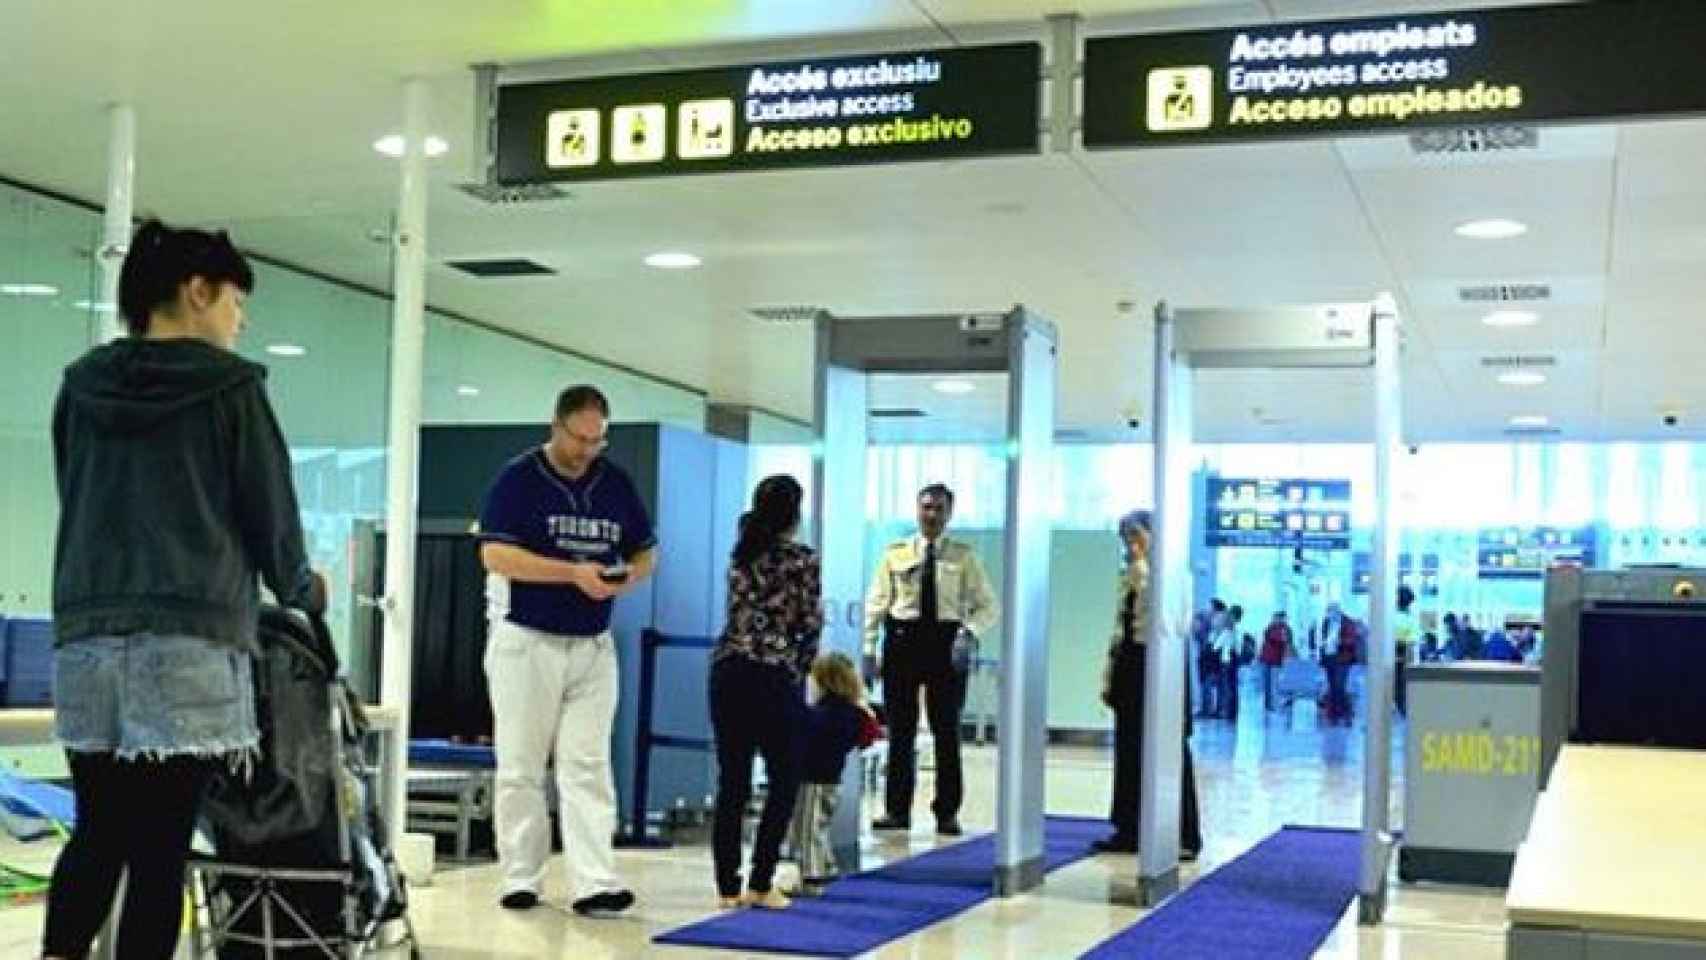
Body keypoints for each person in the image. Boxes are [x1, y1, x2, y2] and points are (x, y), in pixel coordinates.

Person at [44, 219, 327, 960]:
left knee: (97, 833)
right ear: (197, 292)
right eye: (236, 300)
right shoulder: (231, 389)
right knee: (160, 849)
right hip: (188, 645)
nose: (241, 319)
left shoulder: (80, 387)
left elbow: (72, 491)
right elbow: (271, 517)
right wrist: (303, 588)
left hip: (86, 642)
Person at [476, 384, 656, 915]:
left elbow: (647, 553)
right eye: (579, 438)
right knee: (521, 764)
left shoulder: (615, 483)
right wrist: (570, 574)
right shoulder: (518, 479)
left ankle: (595, 882)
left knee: (587, 763)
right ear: (556, 427)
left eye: (597, 441)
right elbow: (496, 555)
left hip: (593, 643)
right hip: (527, 639)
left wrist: (623, 580)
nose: (586, 451)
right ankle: (521, 876)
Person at [708, 475, 822, 910]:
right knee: (783, 779)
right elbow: (807, 625)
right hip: (774, 676)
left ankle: (726, 886)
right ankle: (761, 880)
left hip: (728, 673)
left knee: (732, 782)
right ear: (794, 515)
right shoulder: (802, 561)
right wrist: (798, 673)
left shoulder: (742, 554)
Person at [866, 483, 999, 836]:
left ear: (949, 513)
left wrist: (968, 633)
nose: (931, 515)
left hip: (945, 645)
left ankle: (947, 812)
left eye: (939, 508)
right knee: (900, 732)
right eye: (926, 507)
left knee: (946, 732)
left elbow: (989, 605)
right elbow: (877, 603)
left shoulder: (963, 557)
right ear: (917, 509)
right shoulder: (895, 553)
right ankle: (896, 809)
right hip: (902, 642)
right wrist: (867, 649)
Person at [1092, 511, 1202, 859]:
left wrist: (1141, 569)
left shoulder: (1172, 575)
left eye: (1137, 535)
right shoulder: (1129, 575)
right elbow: (1119, 626)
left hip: (1162, 660)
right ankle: (1128, 827)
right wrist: (1110, 675)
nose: (1131, 543)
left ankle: (1184, 834)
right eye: (1125, 536)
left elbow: (1172, 621)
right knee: (1128, 748)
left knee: (1170, 748)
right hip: (1131, 661)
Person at [787, 652, 880, 897]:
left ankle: (812, 877)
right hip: (832, 778)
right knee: (819, 826)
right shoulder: (853, 713)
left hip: (812, 779)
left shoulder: (822, 714)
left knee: (806, 830)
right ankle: (825, 865)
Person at [1317, 603, 1359, 726]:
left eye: (1332, 611)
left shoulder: (1348, 622)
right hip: (1329, 657)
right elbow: (1323, 638)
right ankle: (1334, 715)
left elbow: (1352, 640)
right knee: (1332, 687)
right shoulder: (1326, 623)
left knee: (1340, 686)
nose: (1330, 614)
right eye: (1328, 611)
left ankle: (1346, 713)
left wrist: (1339, 641)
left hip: (1343, 659)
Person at [1194, 600, 1227, 719]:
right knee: (1219, 683)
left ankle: (1207, 709)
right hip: (1218, 656)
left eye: (1210, 606)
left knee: (1207, 682)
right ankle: (1219, 709)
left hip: (1208, 655)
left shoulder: (1210, 620)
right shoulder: (1223, 621)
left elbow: (1200, 635)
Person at [1211, 605, 1243, 719]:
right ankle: (1231, 711)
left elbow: (1216, 646)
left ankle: (1228, 711)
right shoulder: (1237, 630)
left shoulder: (1230, 631)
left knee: (1228, 686)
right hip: (1233, 660)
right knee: (1232, 686)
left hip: (1228, 661)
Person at [1393, 586, 1420, 716]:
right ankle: (1402, 710)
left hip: (1393, 652)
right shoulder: (1410, 619)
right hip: (1403, 654)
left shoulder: (1390, 616)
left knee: (1395, 686)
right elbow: (1411, 642)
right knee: (1400, 686)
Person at [1259, 611, 1293, 712]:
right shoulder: (1270, 628)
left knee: (1275, 682)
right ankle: (1268, 704)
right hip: (1267, 658)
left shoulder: (1285, 629)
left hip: (1276, 659)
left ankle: (1274, 703)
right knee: (1267, 682)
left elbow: (1285, 642)